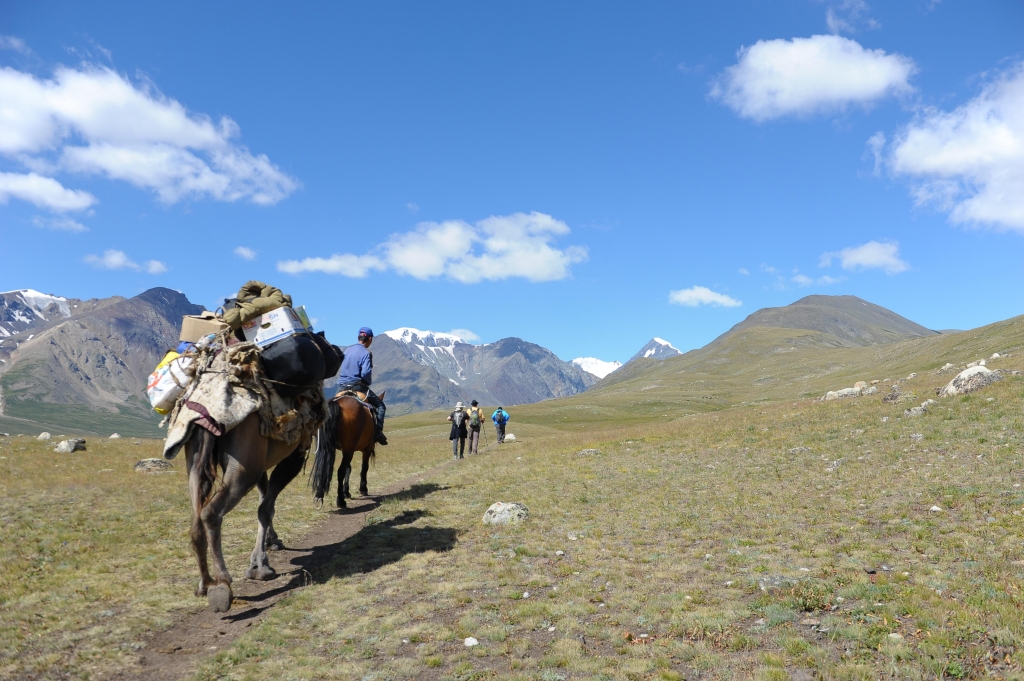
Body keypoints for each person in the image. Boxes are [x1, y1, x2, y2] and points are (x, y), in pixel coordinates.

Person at [336, 327, 387, 445]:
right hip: (358, 387)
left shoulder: (347, 351)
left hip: (341, 387)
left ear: (358, 337)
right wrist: (367, 382)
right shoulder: (366, 353)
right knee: (380, 406)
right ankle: (378, 433)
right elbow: (365, 373)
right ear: (369, 339)